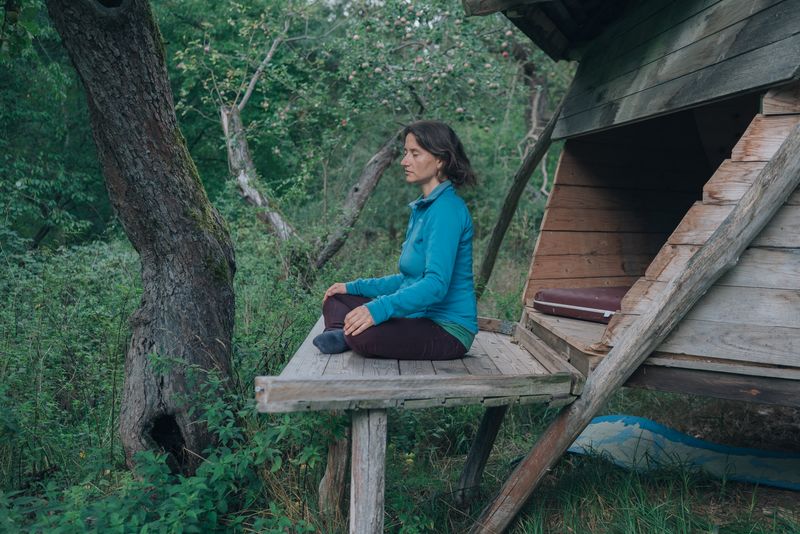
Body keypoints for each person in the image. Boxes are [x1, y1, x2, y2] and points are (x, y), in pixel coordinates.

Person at [313, 120, 478, 360]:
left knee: (364, 335)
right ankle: (344, 334)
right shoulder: (424, 209)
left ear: (440, 159)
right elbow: (407, 279)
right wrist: (353, 287)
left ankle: (347, 335)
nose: (404, 161)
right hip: (416, 317)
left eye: (414, 154)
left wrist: (378, 308)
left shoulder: (447, 211)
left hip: (446, 329)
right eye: (405, 153)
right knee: (336, 297)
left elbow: (436, 285)